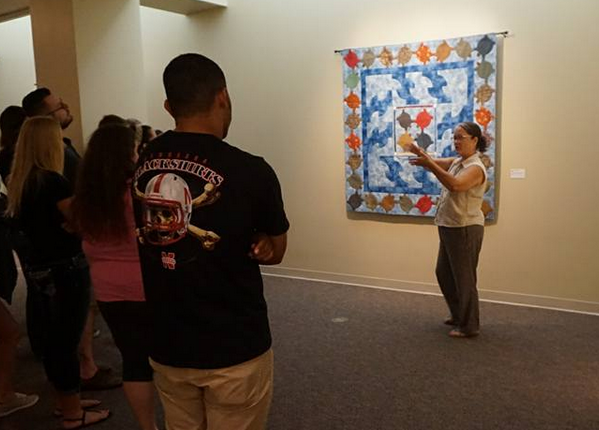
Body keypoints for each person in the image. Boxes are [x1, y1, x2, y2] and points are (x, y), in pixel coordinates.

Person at [132, 53, 289, 430]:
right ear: (223, 96)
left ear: (169, 106)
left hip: (167, 341)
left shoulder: (144, 162)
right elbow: (277, 252)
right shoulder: (252, 170)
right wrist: (262, 242)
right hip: (234, 345)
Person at [5, 116, 110, 428]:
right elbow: (81, 222)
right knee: (65, 342)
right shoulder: (54, 181)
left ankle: (66, 403)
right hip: (65, 269)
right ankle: (73, 413)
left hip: (38, 269)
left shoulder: (21, 182)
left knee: (53, 341)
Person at [21, 88, 121, 390]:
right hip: (65, 259)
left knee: (63, 327)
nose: (66, 108)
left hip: (52, 257)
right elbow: (75, 215)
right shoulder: (53, 169)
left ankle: (80, 374)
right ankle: (78, 383)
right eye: (59, 107)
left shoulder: (32, 170)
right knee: (67, 328)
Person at [71, 124, 158, 430]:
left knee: (134, 362)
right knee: (168, 359)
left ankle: (148, 427)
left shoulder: (86, 197)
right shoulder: (138, 191)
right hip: (147, 287)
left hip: (108, 291)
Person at [409, 122, 488, 338]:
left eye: (461, 137)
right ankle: (458, 314)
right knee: (444, 273)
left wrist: (431, 166)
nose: (456, 141)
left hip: (465, 228)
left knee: (464, 278)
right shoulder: (458, 162)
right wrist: (421, 155)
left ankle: (469, 325)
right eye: (454, 137)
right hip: (449, 226)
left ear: (474, 140)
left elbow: (455, 185)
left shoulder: (475, 168)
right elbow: (435, 163)